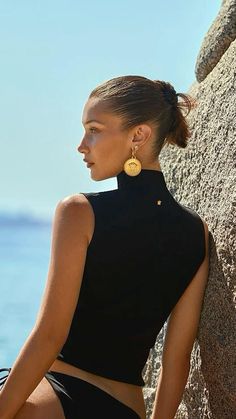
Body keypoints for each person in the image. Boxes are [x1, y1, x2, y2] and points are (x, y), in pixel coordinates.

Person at [0, 75, 209, 419]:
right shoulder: (196, 233)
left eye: (94, 129)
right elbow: (176, 364)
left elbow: (50, 335)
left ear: (138, 136)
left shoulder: (78, 212)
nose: (82, 145)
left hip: (56, 403)